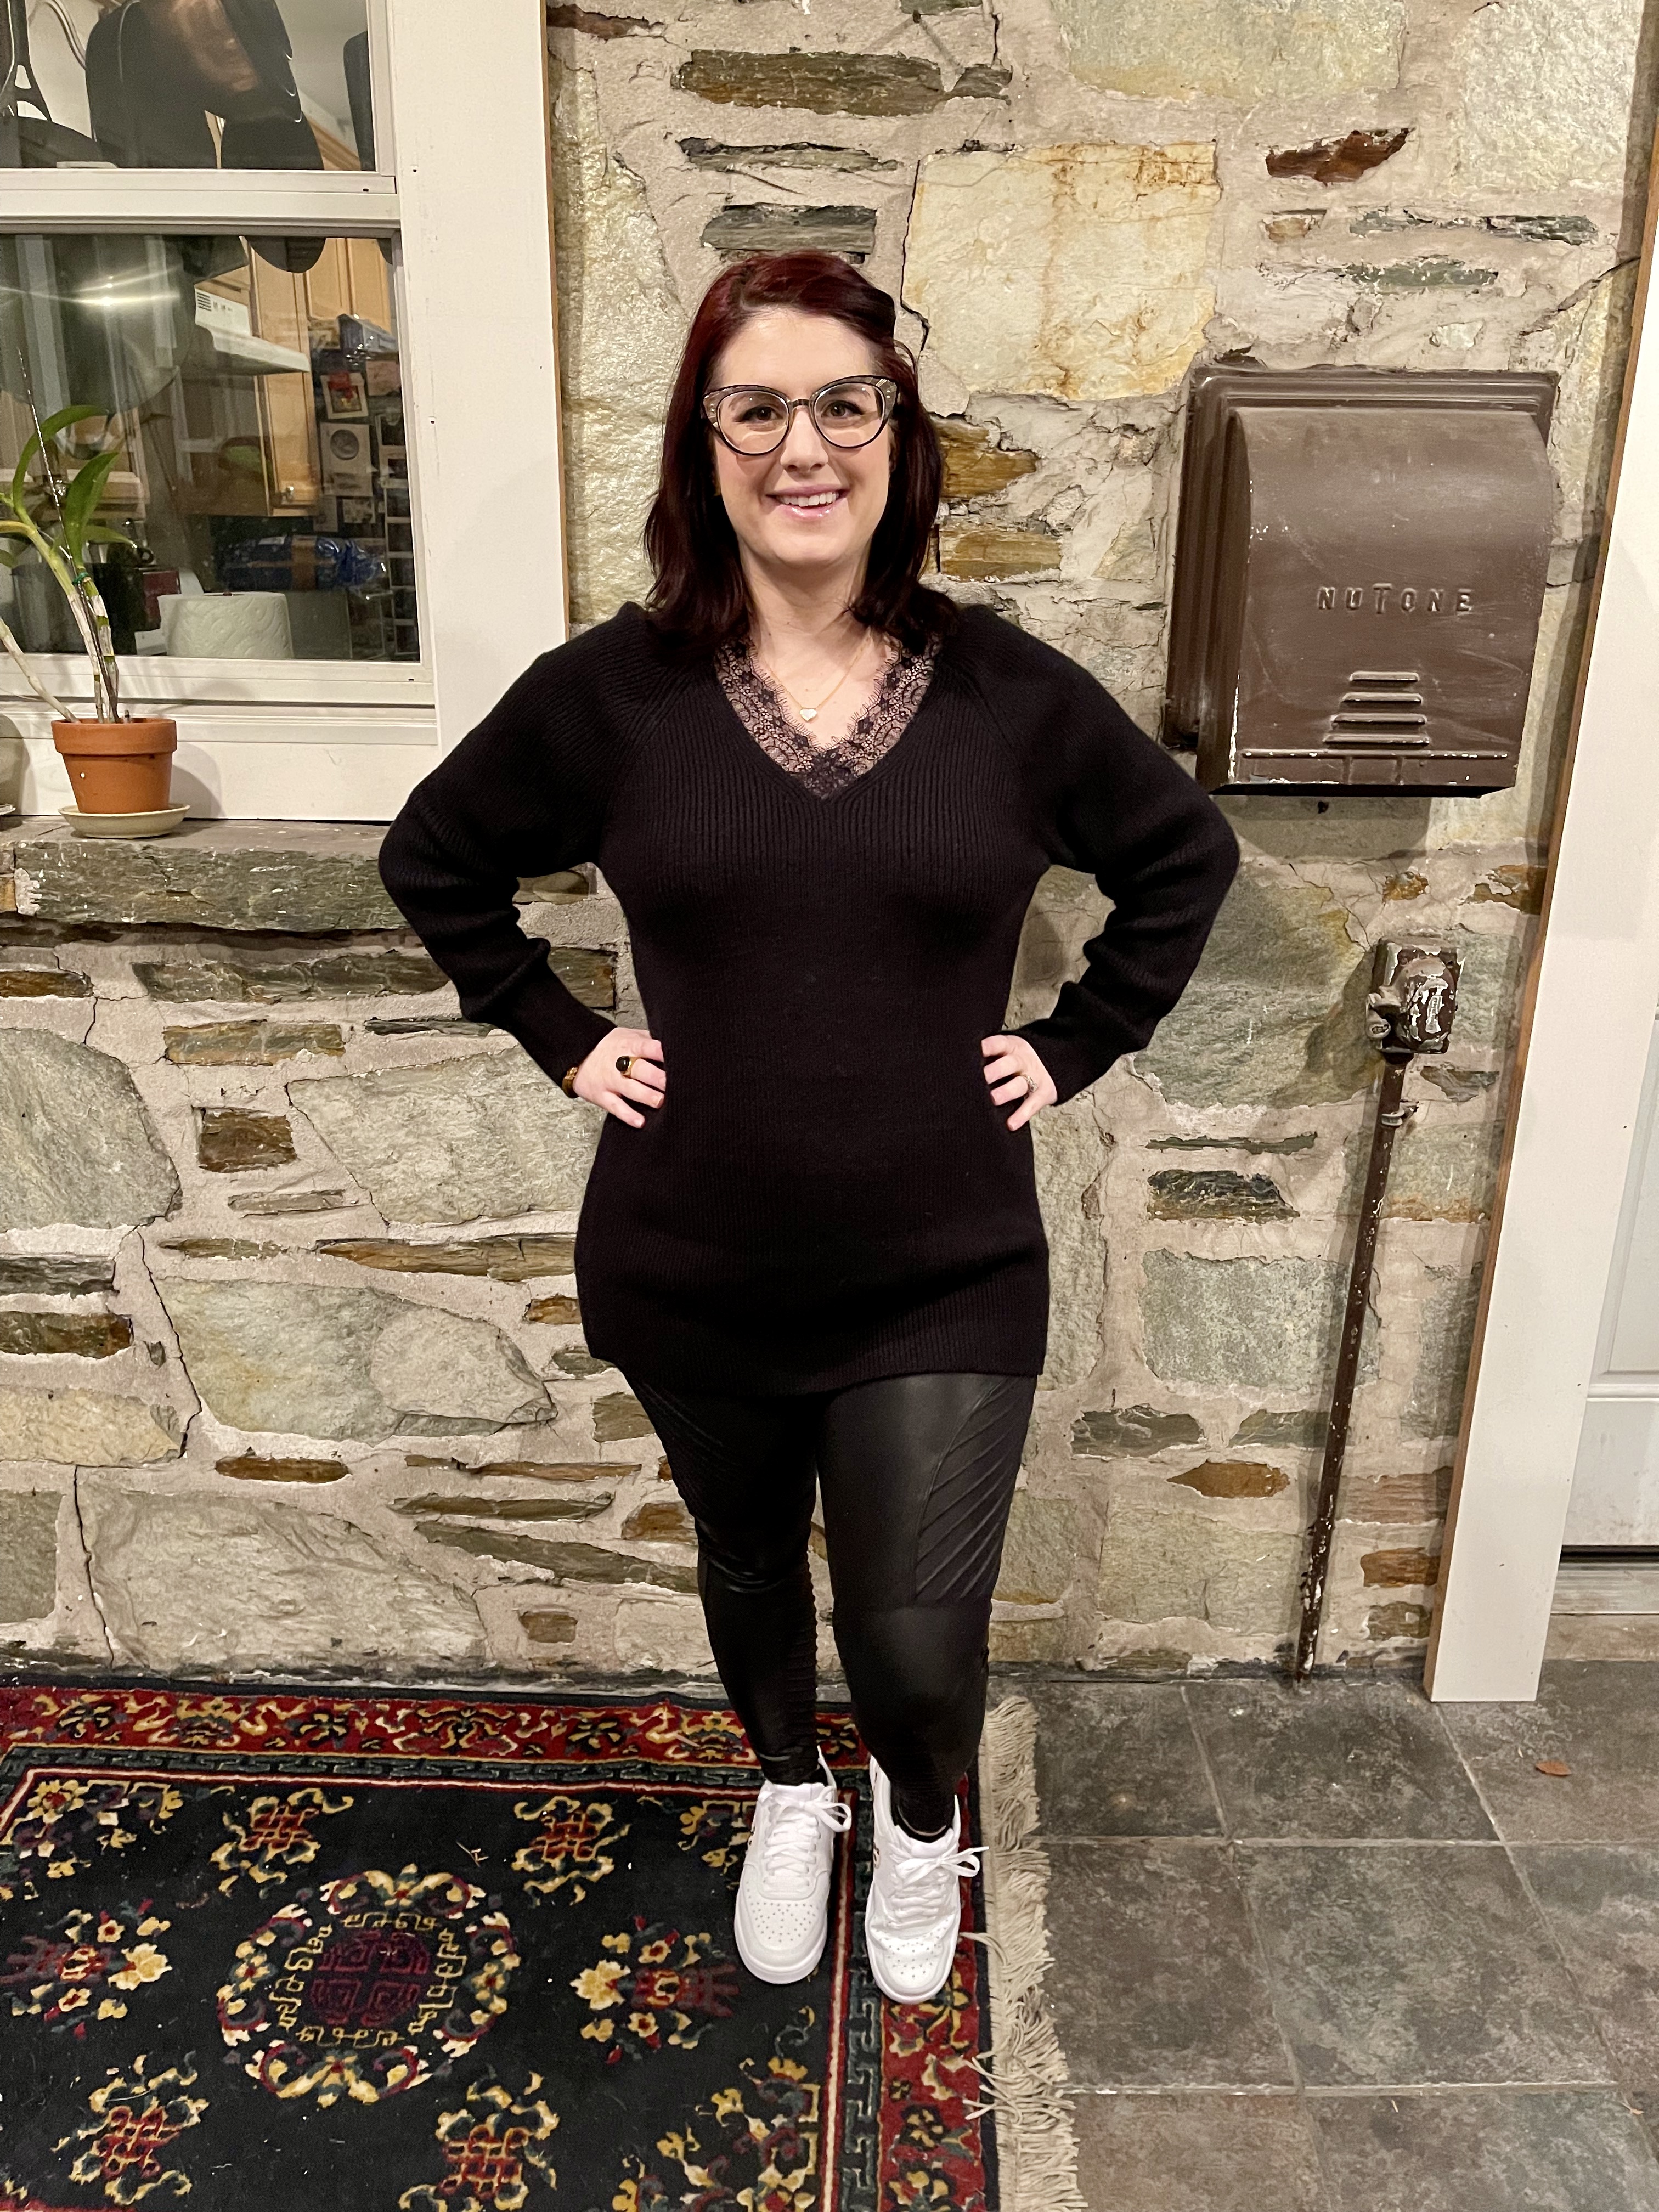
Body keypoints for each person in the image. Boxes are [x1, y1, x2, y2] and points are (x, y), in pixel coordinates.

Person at [377, 251, 1238, 2007]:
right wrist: (562, 1034)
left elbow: (1182, 857)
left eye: (846, 405)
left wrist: (1076, 1044)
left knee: (915, 1640)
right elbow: (436, 858)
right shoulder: (613, 695)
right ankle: (790, 1790)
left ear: (897, 438)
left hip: (943, 1261)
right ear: (703, 444)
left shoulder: (1006, 694)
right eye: (756, 408)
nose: (803, 446)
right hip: (689, 1252)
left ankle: (920, 1815)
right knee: (752, 1560)